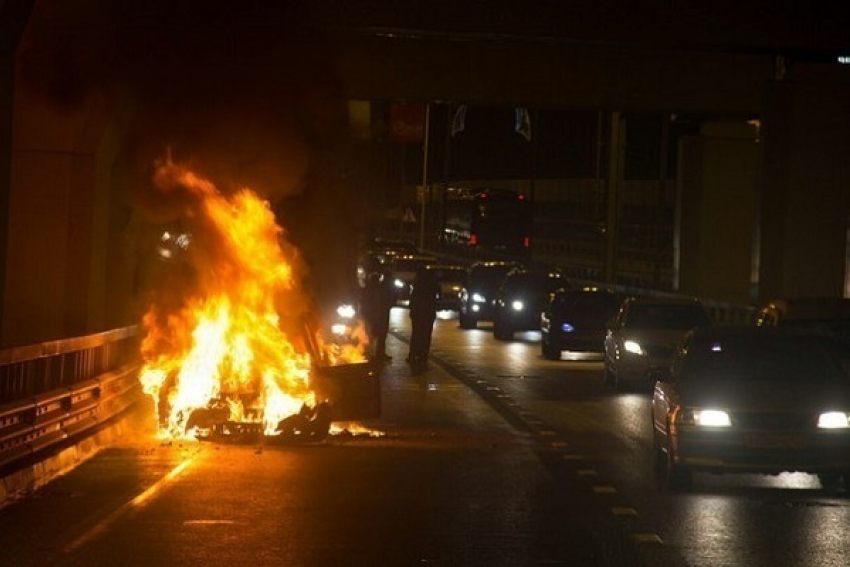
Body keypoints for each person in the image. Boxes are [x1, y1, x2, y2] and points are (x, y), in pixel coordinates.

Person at [360, 267, 394, 361]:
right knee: (372, 335)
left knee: (375, 335)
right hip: (374, 316)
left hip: (375, 315)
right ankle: (372, 354)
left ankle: (376, 353)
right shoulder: (373, 289)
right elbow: (371, 304)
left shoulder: (376, 288)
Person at [407, 266, 440, 365]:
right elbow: (439, 296)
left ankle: (413, 354)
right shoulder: (433, 284)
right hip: (428, 313)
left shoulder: (417, 284)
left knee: (416, 334)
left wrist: (412, 310)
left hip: (418, 313)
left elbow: (413, 299)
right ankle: (423, 355)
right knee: (426, 335)